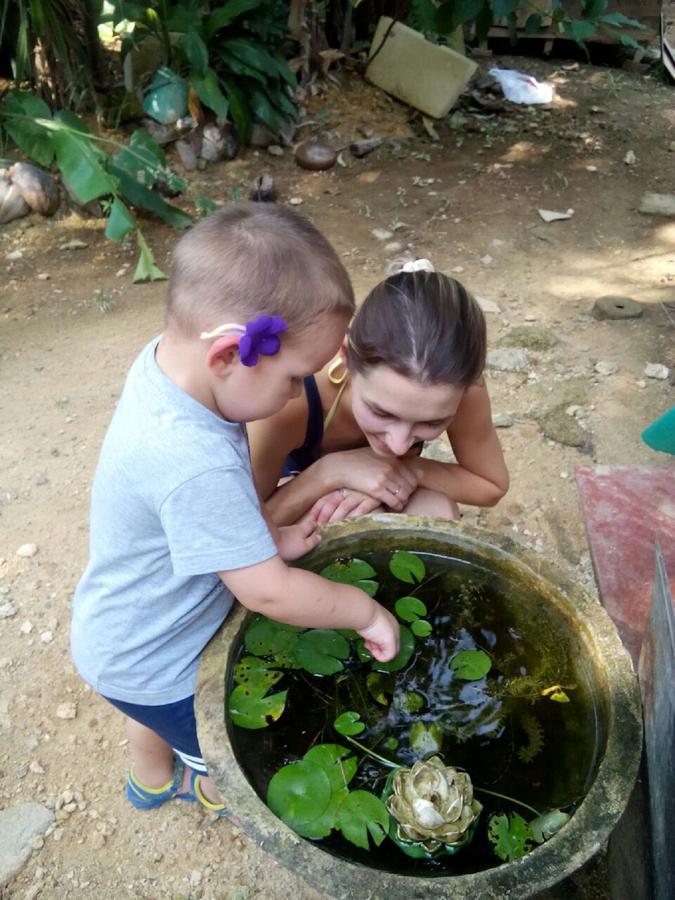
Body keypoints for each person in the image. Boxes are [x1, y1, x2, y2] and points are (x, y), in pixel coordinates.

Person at [70, 203, 399, 817]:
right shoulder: (195, 463)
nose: (294, 397)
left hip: (121, 634)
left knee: (144, 710)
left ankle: (148, 779)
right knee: (223, 750)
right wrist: (365, 613)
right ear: (226, 354)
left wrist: (263, 539)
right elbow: (267, 594)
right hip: (162, 661)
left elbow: (202, 527)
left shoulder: (167, 371)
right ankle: (207, 785)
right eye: (294, 378)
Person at [249, 263, 509, 526]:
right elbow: (238, 527)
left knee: (436, 510)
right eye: (382, 412)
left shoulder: (458, 385)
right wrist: (330, 473)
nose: (398, 445)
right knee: (321, 526)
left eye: (432, 422)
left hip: (376, 487)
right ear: (347, 356)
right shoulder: (291, 397)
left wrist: (404, 471)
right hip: (288, 494)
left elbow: (490, 484)